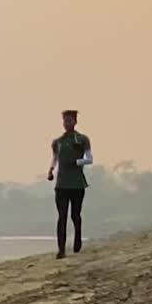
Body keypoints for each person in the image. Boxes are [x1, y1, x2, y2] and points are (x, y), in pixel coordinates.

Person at [47, 109, 93, 258]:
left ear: (75, 121)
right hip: (61, 184)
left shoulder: (82, 139)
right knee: (62, 216)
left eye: (70, 120)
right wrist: (51, 170)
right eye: (65, 121)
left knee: (75, 214)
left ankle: (78, 237)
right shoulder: (58, 142)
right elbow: (55, 158)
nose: (67, 123)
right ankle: (61, 249)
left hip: (77, 183)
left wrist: (77, 162)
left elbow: (89, 159)